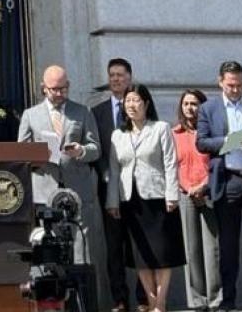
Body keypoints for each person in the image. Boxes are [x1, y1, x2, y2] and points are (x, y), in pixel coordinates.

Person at [18, 64, 108, 312]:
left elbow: (96, 148)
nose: (59, 93)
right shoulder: (30, 115)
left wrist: (81, 151)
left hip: (77, 191)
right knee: (47, 250)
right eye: (54, 89)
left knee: (82, 249)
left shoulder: (83, 112)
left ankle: (84, 304)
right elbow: (21, 153)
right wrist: (35, 156)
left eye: (64, 88)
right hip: (44, 190)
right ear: (43, 88)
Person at [196, 60, 242, 310]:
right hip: (227, 181)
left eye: (239, 85)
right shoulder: (209, 108)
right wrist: (229, 141)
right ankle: (228, 300)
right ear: (220, 82)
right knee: (228, 247)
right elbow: (202, 143)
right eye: (231, 85)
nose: (236, 90)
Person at [107, 84, 185, 312]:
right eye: (127, 101)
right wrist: (112, 201)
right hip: (130, 201)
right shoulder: (117, 134)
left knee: (162, 254)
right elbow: (113, 170)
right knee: (140, 256)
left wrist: (172, 195)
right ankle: (150, 302)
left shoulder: (160, 128)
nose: (131, 105)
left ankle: (160, 304)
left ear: (146, 104)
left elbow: (170, 163)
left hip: (158, 199)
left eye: (136, 100)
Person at [91, 58, 146, 312]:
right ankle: (120, 300)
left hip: (138, 189)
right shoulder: (98, 112)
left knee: (140, 243)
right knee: (114, 246)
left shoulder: (141, 108)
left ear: (130, 78)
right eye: (112, 75)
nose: (116, 79)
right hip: (109, 189)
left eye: (120, 75)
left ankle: (144, 297)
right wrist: (105, 173)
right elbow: (97, 150)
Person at [172, 89, 221, 311]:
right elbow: (172, 166)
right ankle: (197, 301)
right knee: (191, 250)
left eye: (195, 103)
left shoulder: (210, 132)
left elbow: (217, 163)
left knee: (212, 250)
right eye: (186, 104)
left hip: (209, 192)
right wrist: (187, 188)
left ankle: (215, 299)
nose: (190, 108)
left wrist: (204, 186)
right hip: (185, 194)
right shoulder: (175, 134)